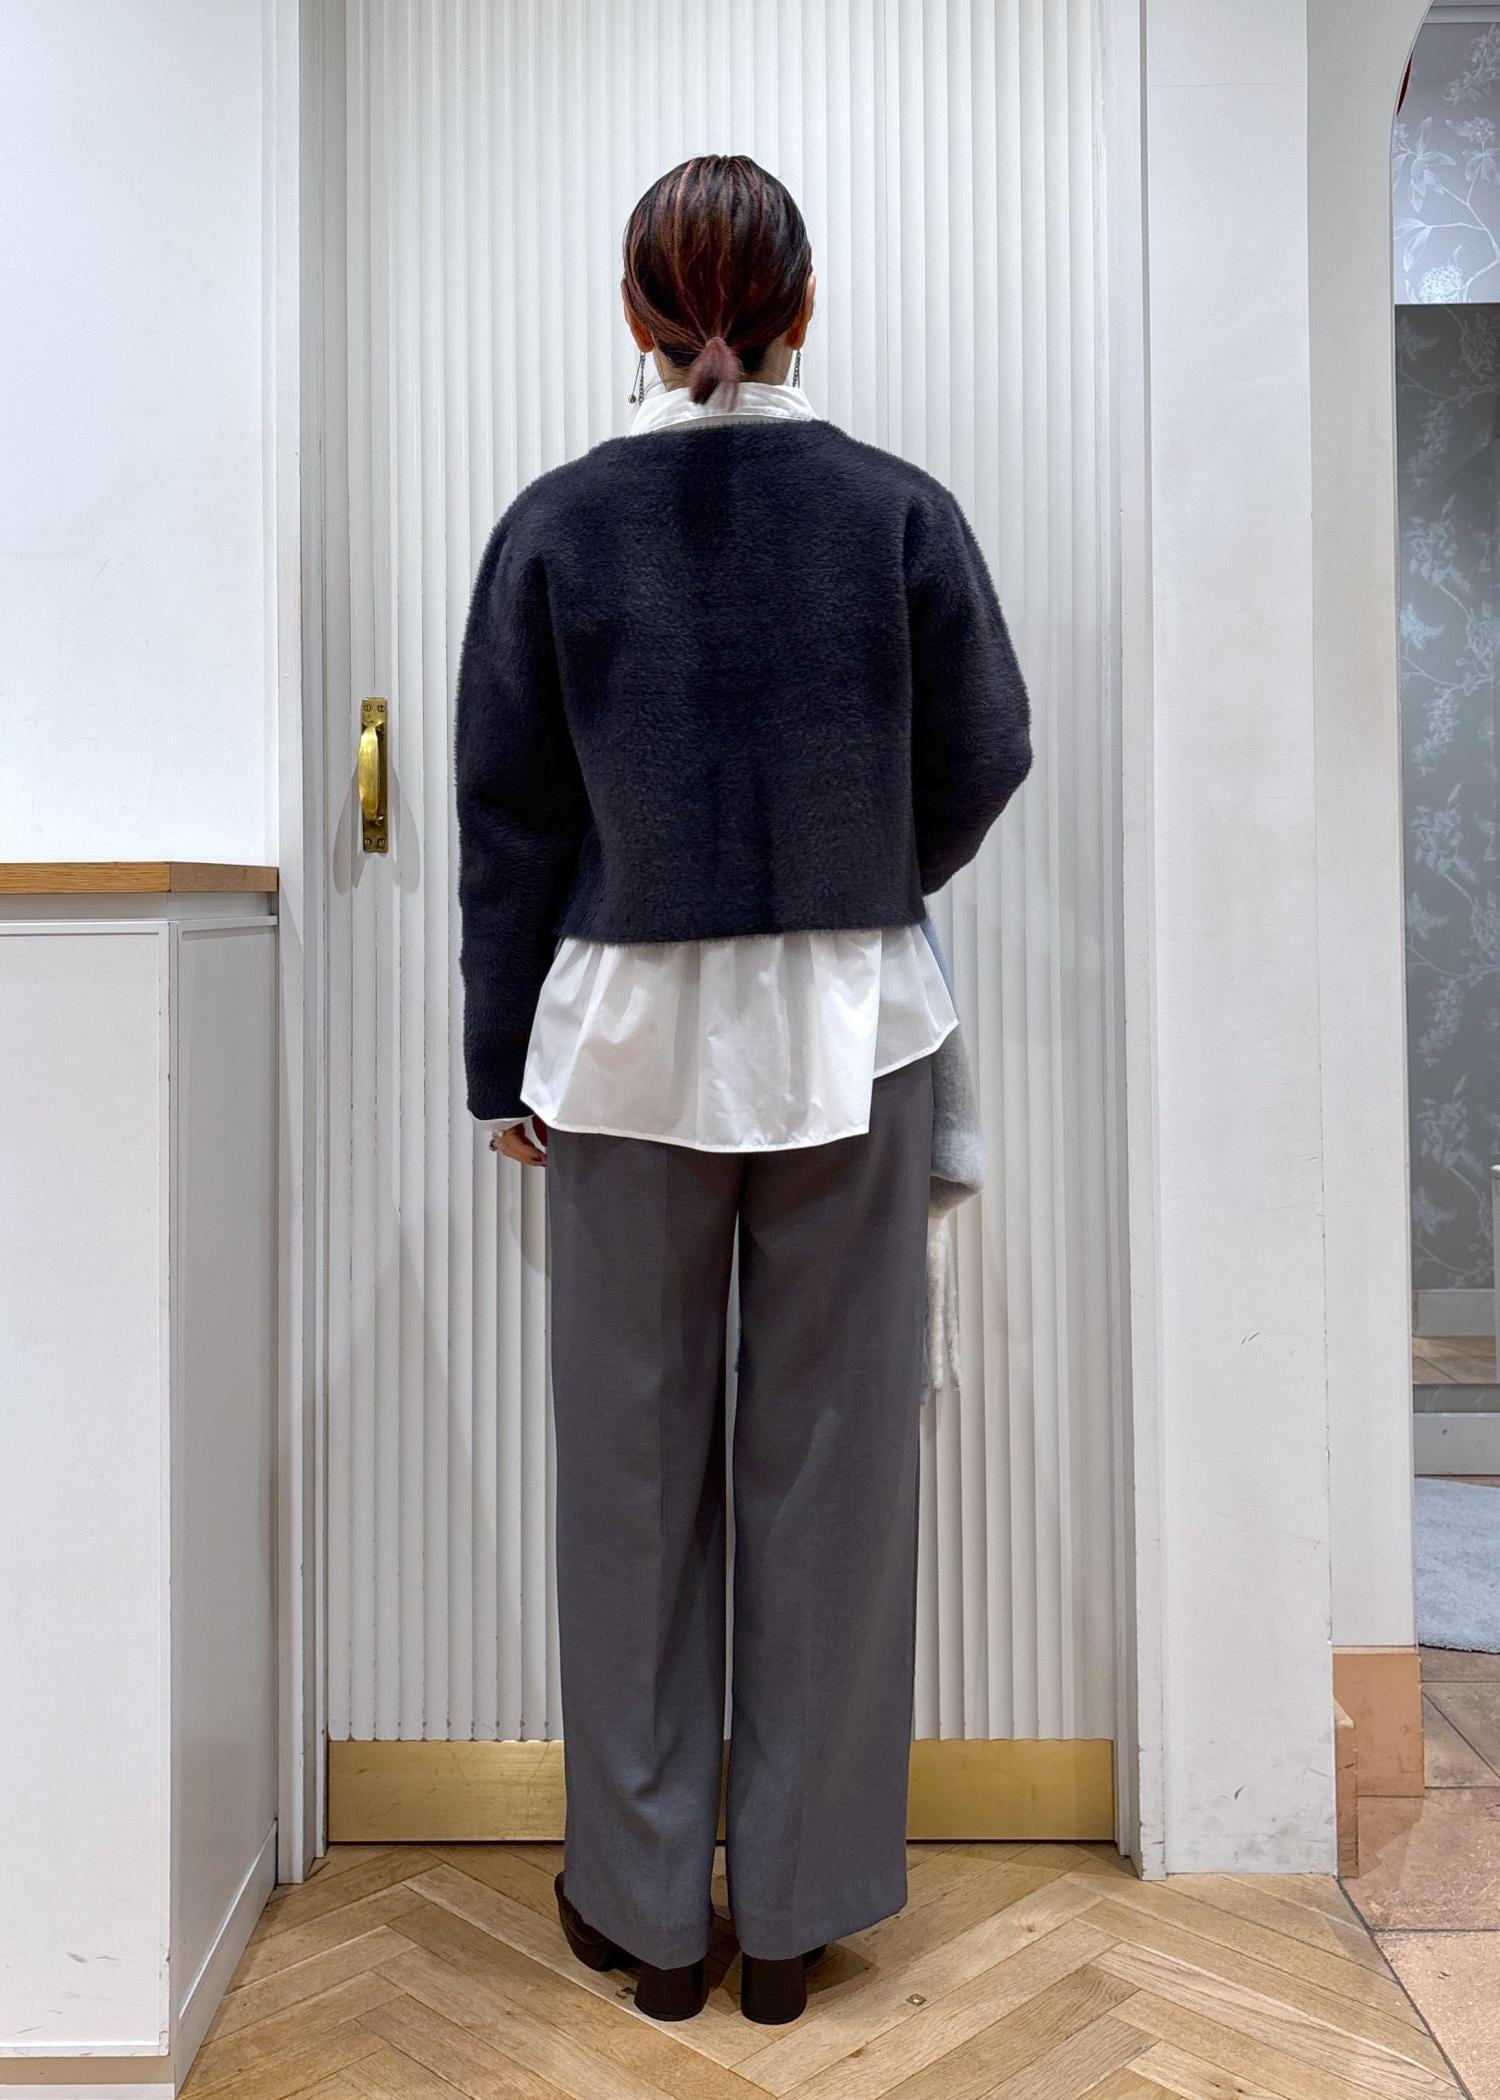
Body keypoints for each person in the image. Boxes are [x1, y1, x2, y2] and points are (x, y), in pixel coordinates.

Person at [454, 153, 1031, 2027]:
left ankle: (643, 1915)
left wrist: (495, 1061)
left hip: (620, 1044)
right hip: (854, 1031)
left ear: (635, 314)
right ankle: (792, 1915)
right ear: (806, 307)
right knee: (835, 1468)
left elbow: (509, 821)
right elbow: (988, 750)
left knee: (628, 1477)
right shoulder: (897, 511)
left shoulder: (556, 524)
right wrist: (864, 873)